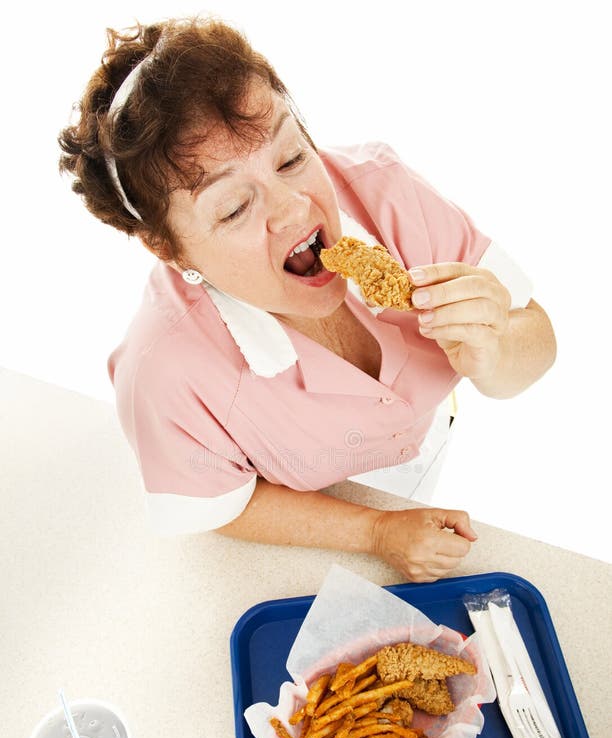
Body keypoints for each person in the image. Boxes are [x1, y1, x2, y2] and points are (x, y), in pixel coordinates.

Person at [58, 16, 556, 582]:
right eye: (233, 208)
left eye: (292, 158)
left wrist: (495, 354)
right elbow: (226, 503)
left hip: (432, 437)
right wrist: (376, 530)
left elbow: (535, 336)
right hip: (322, 511)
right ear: (168, 248)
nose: (297, 209)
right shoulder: (164, 375)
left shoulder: (384, 193)